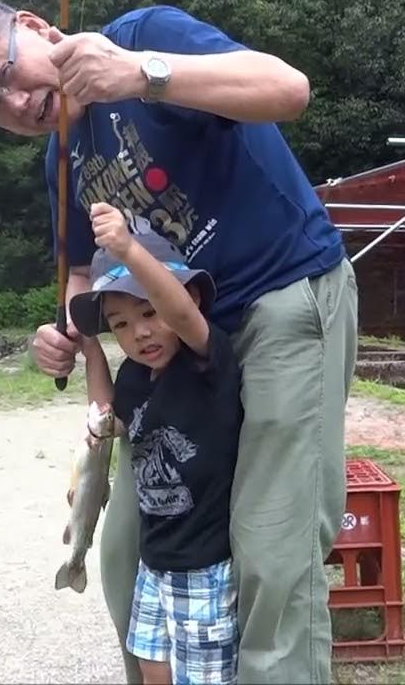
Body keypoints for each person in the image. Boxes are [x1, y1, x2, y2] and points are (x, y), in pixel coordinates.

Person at [0, 0, 358, 684]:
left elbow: (288, 89)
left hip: (282, 296)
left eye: (4, 73)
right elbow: (78, 274)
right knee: (124, 546)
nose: (13, 104)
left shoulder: (144, 37)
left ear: (35, 28)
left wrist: (142, 73)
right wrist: (72, 329)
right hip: (180, 355)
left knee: (273, 548)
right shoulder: (59, 161)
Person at [71, 201, 243, 685]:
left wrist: (127, 248)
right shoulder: (135, 377)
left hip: (205, 568)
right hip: (154, 563)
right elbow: (109, 417)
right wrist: (89, 350)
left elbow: (183, 315)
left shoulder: (207, 361)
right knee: (152, 672)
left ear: (181, 297)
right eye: (120, 323)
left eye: (148, 311)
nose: (139, 331)